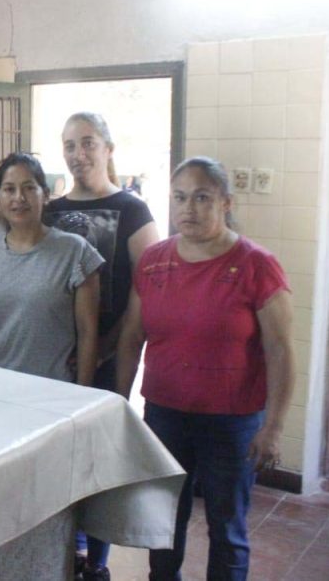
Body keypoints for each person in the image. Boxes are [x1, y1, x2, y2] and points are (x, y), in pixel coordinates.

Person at [117, 157, 295, 581]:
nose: (188, 208)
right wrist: (118, 408)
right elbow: (131, 337)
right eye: (180, 197)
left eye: (202, 198)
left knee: (227, 527)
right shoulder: (154, 261)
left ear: (225, 203)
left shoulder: (256, 265)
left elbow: (280, 350)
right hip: (165, 415)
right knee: (163, 521)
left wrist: (273, 427)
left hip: (232, 424)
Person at [44, 112, 160, 580]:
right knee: (60, 456)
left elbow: (147, 292)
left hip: (111, 355)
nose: (78, 154)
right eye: (70, 145)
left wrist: (109, 347)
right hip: (56, 357)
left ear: (109, 149)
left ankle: (97, 561)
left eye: (88, 143)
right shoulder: (49, 210)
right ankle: (65, 550)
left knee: (100, 460)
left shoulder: (133, 211)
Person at [0, 152, 102, 384]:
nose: (19, 197)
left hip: (50, 387)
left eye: (29, 188)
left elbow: (87, 331)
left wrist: (83, 392)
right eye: (9, 189)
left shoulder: (76, 252)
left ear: (45, 195)